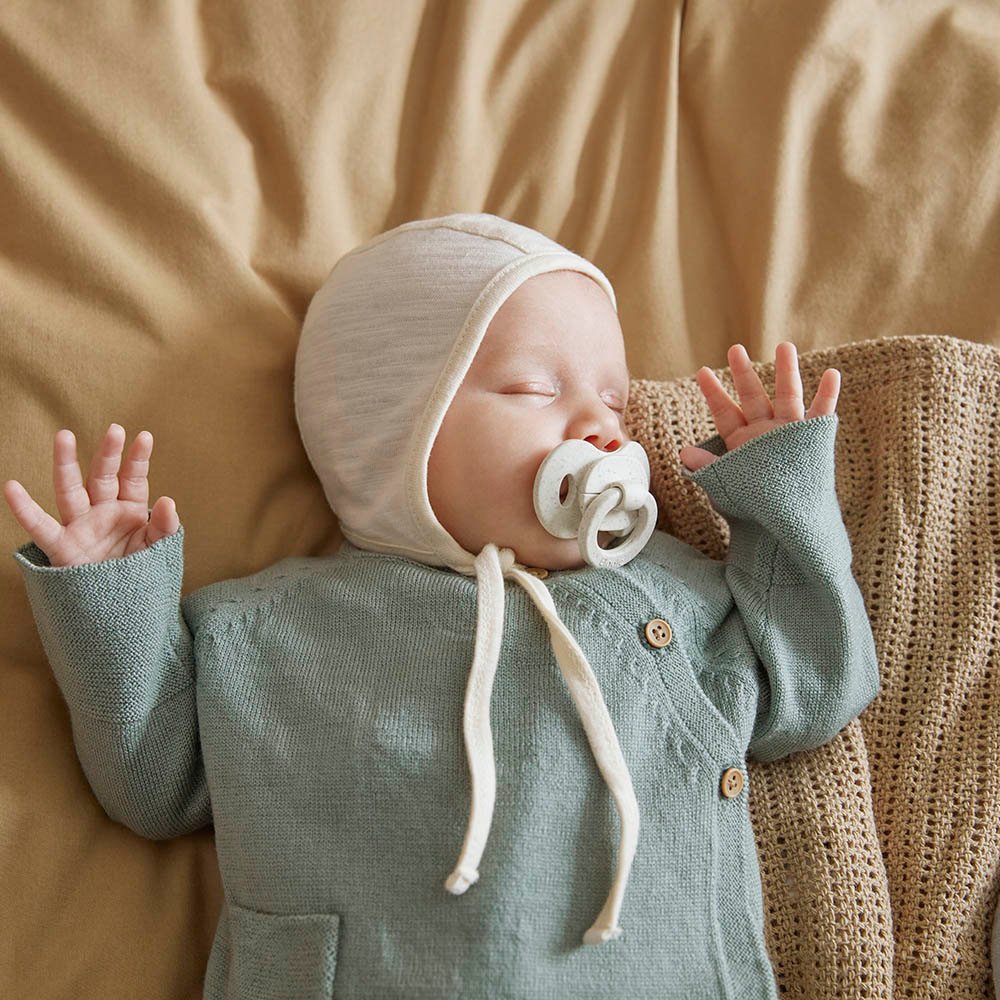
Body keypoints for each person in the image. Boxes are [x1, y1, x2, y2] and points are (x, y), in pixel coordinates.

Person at [3, 212, 880, 999]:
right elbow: (152, 783)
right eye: (535, 388)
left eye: (613, 398)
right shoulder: (264, 632)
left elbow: (814, 687)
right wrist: (111, 595)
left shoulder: (664, 596)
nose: (605, 426)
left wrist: (780, 496)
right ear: (393, 429)